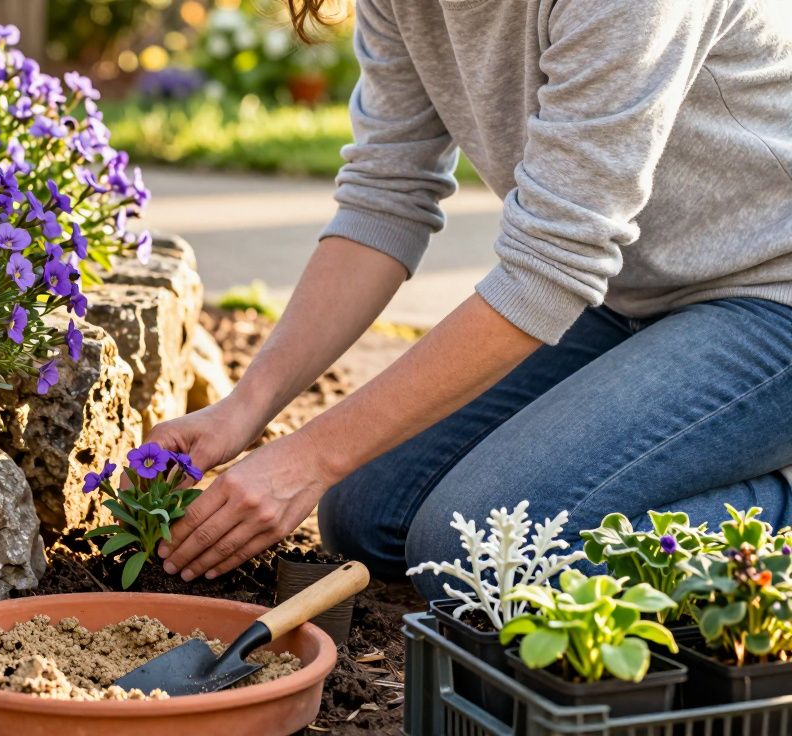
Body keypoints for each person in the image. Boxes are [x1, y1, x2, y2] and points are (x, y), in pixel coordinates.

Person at [148, 0, 792, 599]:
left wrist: (307, 456)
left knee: (492, 549)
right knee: (367, 514)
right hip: (633, 295)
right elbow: (386, 194)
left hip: (772, 294)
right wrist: (246, 409)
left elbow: (551, 265)